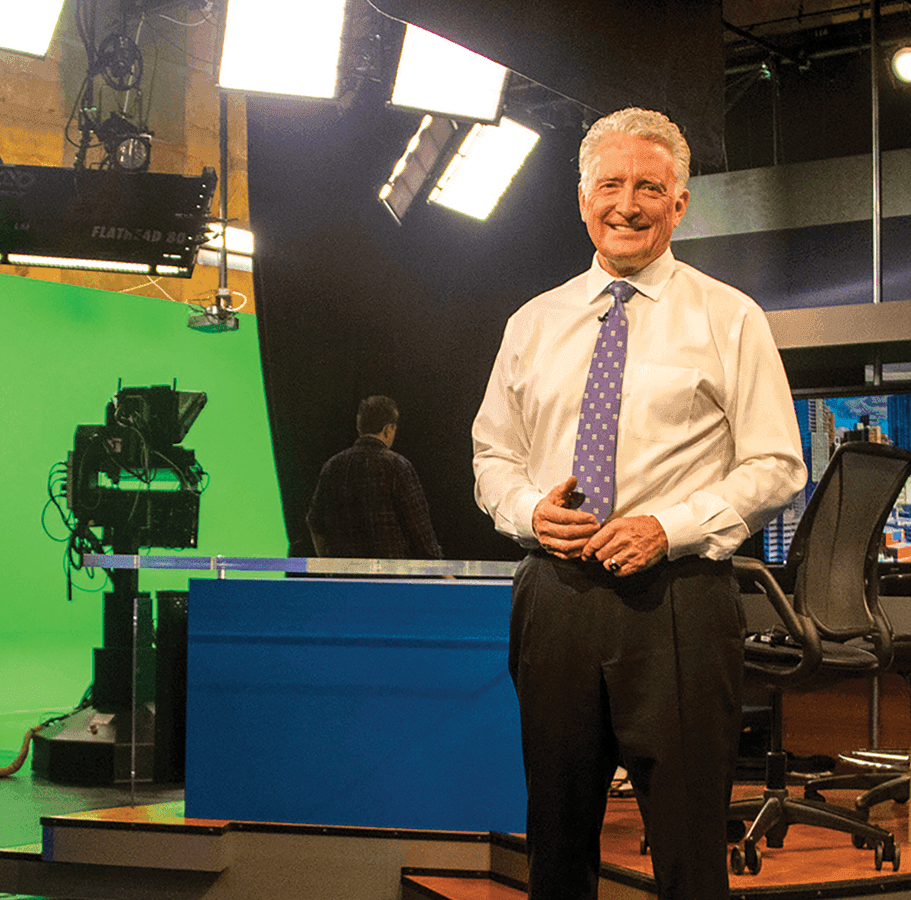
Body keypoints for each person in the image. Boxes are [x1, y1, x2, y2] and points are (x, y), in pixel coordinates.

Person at [471, 108, 805, 900]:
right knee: (555, 837)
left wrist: (670, 527)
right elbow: (493, 456)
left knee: (690, 849)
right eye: (610, 185)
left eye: (648, 187)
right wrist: (525, 511)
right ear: (582, 198)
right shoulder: (533, 322)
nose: (627, 203)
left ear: (679, 204)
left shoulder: (730, 317)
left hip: (680, 603)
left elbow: (778, 463)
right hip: (554, 597)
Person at [306, 395, 443, 560]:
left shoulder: (331, 467)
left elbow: (315, 523)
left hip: (344, 580)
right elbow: (420, 529)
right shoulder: (397, 466)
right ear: (388, 429)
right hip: (390, 579)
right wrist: (443, 572)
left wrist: (327, 565)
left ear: (360, 426)